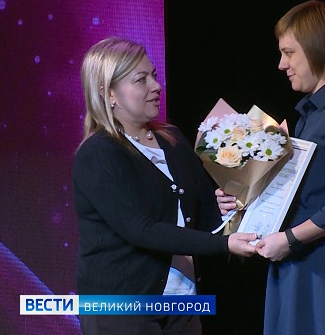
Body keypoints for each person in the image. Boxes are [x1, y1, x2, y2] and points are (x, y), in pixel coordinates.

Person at [216, 0, 325, 335]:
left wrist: (291, 239)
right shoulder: (311, 115)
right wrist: (242, 200)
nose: (281, 64)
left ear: (320, 48)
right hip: (303, 261)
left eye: (289, 53)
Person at [72, 37, 258, 335]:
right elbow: (142, 229)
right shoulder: (99, 153)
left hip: (182, 305)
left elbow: (202, 216)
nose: (156, 86)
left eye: (154, 76)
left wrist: (226, 208)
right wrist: (224, 245)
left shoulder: (172, 140)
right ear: (108, 93)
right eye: (141, 79)